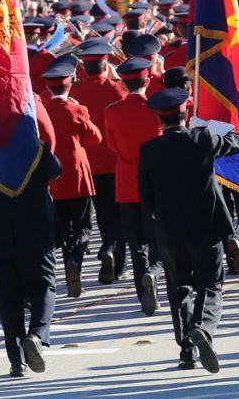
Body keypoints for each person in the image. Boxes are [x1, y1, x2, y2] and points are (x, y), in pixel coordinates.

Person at [138, 88, 239, 374]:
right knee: (210, 284)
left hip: (170, 230)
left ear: (159, 120)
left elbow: (145, 196)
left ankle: (186, 350)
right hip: (205, 227)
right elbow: (235, 143)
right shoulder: (203, 138)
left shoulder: (148, 150)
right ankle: (204, 329)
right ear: (185, 113)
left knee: (179, 290)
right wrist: (229, 131)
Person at [0, 136, 62, 378]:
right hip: (35, 234)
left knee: (8, 298)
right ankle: (37, 335)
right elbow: (57, 169)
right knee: (44, 286)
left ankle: (17, 361)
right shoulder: (36, 152)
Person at [104, 57, 164, 315]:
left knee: (135, 243)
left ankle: (143, 294)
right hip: (155, 183)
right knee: (157, 239)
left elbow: (112, 146)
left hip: (127, 183)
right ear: (147, 80)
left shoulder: (112, 111)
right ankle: (154, 273)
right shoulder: (156, 109)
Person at [41, 56, 101, 298]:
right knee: (84, 227)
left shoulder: (43, 110)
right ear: (69, 85)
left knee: (65, 230)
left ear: (48, 87)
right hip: (78, 175)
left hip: (54, 179)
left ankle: (70, 268)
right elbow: (95, 138)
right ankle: (75, 262)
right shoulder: (77, 109)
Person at [71, 42, 128, 285]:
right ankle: (114, 256)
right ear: (105, 64)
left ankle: (107, 247)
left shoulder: (76, 92)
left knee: (103, 213)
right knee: (120, 213)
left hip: (91, 164)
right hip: (116, 161)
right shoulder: (118, 88)